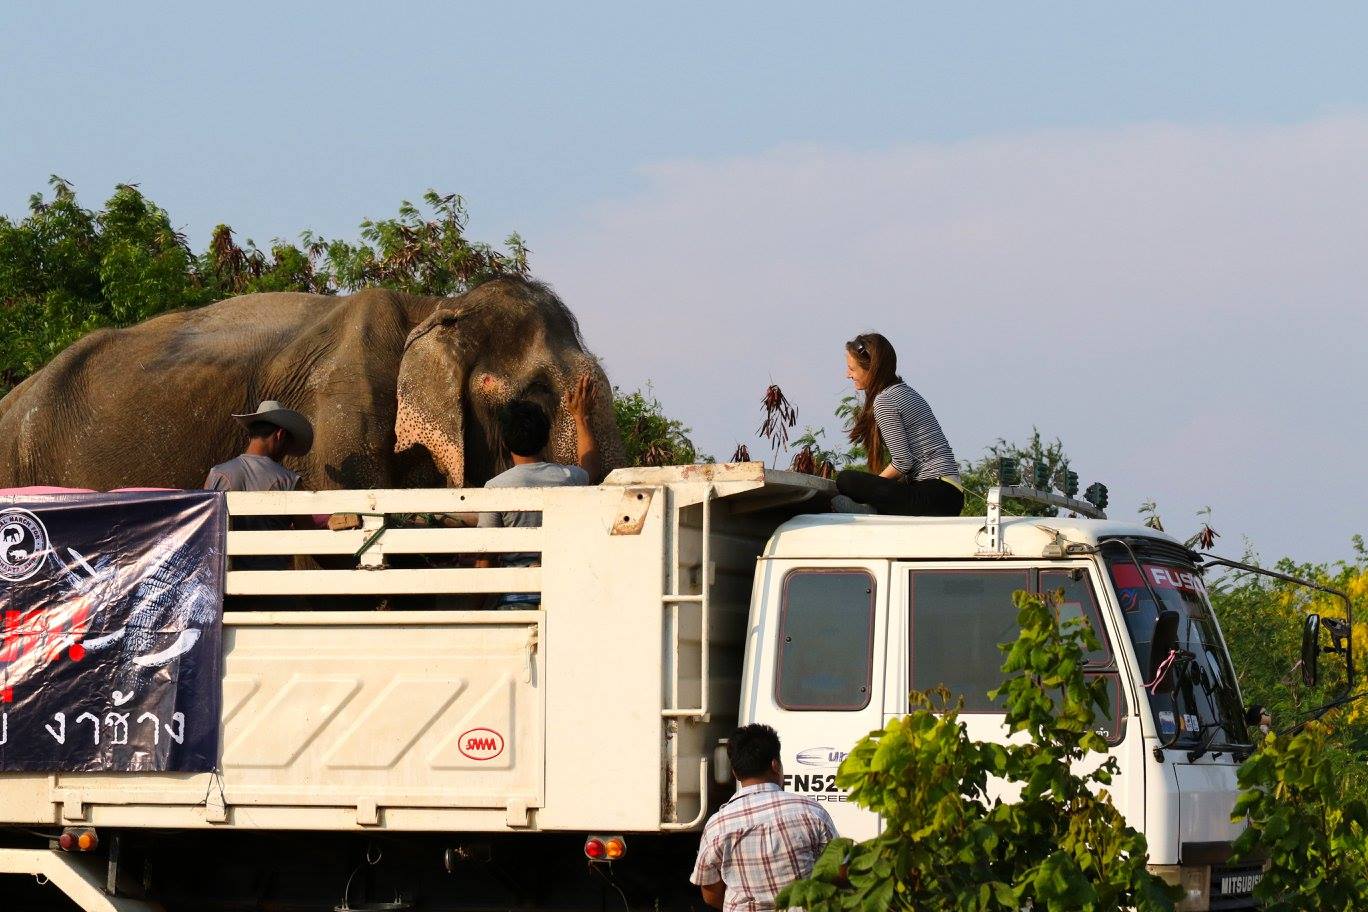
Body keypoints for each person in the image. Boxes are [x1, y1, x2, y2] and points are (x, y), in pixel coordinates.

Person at [474, 375, 600, 605]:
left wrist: (477, 611)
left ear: (505, 443)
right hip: (563, 595)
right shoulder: (569, 478)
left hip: (516, 599)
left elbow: (486, 557)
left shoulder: (494, 488)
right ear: (545, 439)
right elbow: (591, 467)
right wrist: (581, 417)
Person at [690, 723, 837, 911]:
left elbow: (710, 893)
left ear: (735, 772)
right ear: (775, 765)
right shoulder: (810, 811)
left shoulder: (718, 825)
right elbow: (839, 871)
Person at [832, 333, 964, 517]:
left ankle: (871, 508)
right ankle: (877, 509)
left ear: (871, 368)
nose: (848, 375)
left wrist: (871, 491)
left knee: (846, 481)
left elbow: (903, 463)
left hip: (935, 494)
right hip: (948, 493)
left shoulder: (885, 400)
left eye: (852, 369)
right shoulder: (904, 391)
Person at [204, 399, 314, 570]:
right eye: (287, 446)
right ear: (280, 435)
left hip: (224, 582)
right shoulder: (289, 481)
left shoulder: (217, 474)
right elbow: (311, 538)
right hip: (272, 585)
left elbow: (206, 533)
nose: (285, 453)